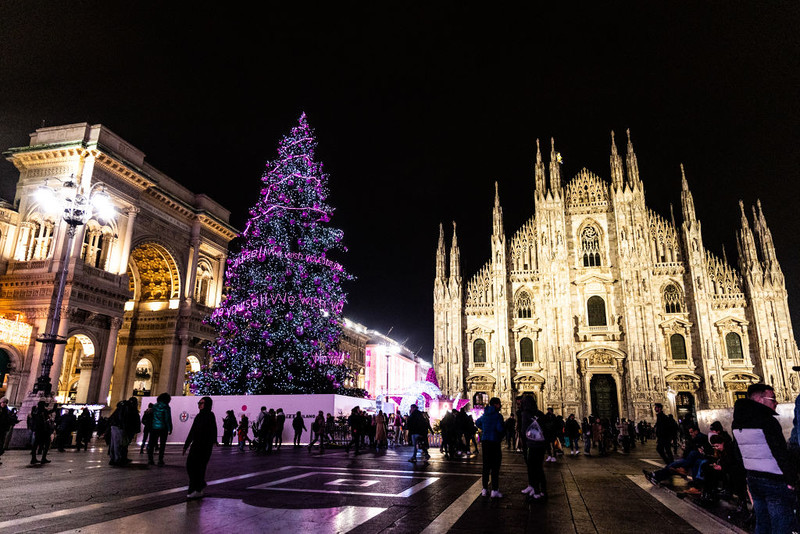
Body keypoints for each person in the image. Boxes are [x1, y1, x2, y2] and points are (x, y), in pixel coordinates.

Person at [732, 383, 798, 534]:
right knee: (782, 524)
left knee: (762, 523)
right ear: (761, 400)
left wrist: (747, 476)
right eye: (773, 399)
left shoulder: (737, 421)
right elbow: (780, 453)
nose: (776, 402)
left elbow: (738, 453)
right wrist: (791, 480)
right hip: (774, 480)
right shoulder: (767, 420)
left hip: (754, 479)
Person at [183, 396, 217, 500]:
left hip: (205, 447)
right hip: (196, 445)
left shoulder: (210, 415)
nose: (199, 405)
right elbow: (192, 431)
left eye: (202, 403)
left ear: (207, 404)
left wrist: (213, 441)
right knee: (190, 465)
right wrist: (186, 444)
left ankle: (195, 489)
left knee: (199, 467)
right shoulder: (198, 416)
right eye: (199, 402)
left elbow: (213, 430)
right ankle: (199, 485)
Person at [476, 397, 505, 498]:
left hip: (485, 442)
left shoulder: (485, 414)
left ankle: (484, 489)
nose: (500, 405)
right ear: (496, 405)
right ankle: (494, 490)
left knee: (486, 465)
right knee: (495, 466)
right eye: (499, 403)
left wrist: (485, 428)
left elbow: (477, 422)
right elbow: (499, 428)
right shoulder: (498, 416)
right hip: (494, 442)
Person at [519, 394, 547, 499]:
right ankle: (543, 491)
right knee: (539, 468)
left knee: (532, 468)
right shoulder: (540, 413)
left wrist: (523, 441)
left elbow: (524, 430)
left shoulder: (525, 414)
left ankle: (536, 492)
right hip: (541, 444)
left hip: (531, 444)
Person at [148, 393, 172, 466]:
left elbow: (152, 417)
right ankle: (160, 460)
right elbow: (167, 419)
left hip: (154, 427)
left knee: (151, 444)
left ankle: (150, 459)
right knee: (162, 445)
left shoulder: (154, 406)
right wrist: (170, 428)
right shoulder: (166, 407)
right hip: (163, 428)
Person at [30, 400, 53, 465]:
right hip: (43, 431)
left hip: (37, 430)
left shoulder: (35, 411)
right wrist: (54, 408)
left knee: (35, 444)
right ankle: (43, 458)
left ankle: (33, 458)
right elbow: (49, 412)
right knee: (47, 444)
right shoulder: (43, 411)